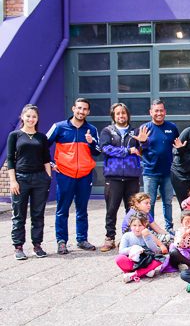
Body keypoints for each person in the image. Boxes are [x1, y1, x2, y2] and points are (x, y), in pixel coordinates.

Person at [47, 97, 100, 254]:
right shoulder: (59, 127)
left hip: (85, 175)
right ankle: (61, 241)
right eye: (79, 108)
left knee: (82, 209)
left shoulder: (91, 129)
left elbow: (97, 152)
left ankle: (82, 239)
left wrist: (91, 142)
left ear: (88, 112)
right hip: (65, 174)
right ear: (73, 109)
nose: (81, 111)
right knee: (62, 209)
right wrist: (50, 163)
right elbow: (42, 145)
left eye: (84, 109)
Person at [99, 103, 149, 252]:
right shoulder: (107, 131)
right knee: (111, 209)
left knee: (132, 210)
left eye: (123, 113)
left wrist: (144, 141)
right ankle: (110, 238)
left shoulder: (136, 131)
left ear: (128, 115)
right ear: (113, 116)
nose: (121, 116)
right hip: (113, 177)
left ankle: (130, 237)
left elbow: (143, 151)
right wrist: (127, 150)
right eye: (118, 113)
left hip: (131, 176)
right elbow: (106, 148)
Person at [7, 104, 52, 259]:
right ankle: (18, 246)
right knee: (19, 214)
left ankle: (37, 245)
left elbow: (47, 159)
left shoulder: (41, 137)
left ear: (37, 119)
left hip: (40, 178)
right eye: (28, 116)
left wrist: (48, 178)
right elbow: (10, 160)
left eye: (34, 116)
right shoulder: (15, 135)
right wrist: (13, 181)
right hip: (21, 178)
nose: (31, 119)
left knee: (38, 213)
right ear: (22, 117)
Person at [139, 99, 179, 233]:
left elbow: (177, 146)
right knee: (148, 204)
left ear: (165, 112)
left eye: (161, 110)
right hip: (150, 173)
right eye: (156, 111)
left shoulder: (172, 127)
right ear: (151, 112)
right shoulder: (145, 128)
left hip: (168, 172)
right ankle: (151, 229)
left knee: (168, 202)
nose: (159, 113)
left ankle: (169, 228)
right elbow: (138, 150)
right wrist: (143, 143)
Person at [115, 212, 168, 282]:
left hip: (146, 261)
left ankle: (133, 274)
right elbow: (121, 251)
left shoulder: (147, 233)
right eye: (134, 225)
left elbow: (154, 250)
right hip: (132, 262)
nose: (137, 228)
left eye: (140, 225)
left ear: (145, 225)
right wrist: (133, 248)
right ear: (130, 225)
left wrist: (147, 238)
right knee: (119, 259)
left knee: (160, 259)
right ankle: (144, 272)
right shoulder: (127, 236)